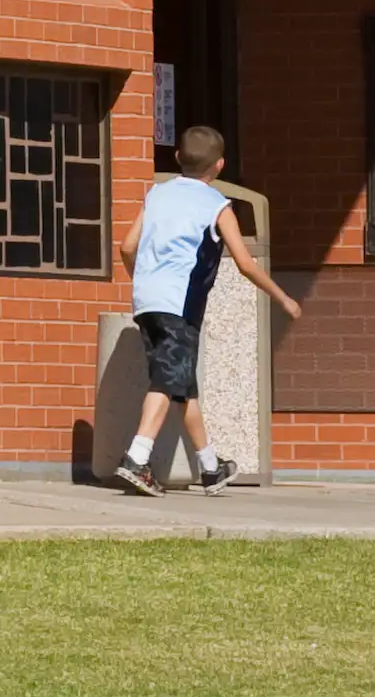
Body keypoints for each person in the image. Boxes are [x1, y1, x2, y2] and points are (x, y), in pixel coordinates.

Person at [113, 122, 294, 495]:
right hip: (180, 304)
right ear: (220, 165)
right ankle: (136, 457)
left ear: (178, 157)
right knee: (167, 381)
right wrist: (283, 297)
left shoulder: (156, 194)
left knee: (182, 385)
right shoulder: (217, 205)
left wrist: (144, 279)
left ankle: (210, 467)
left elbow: (127, 247)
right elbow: (244, 262)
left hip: (147, 300)